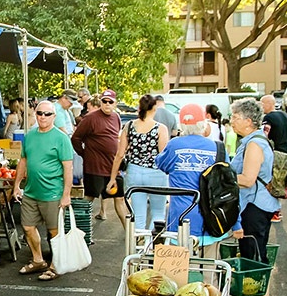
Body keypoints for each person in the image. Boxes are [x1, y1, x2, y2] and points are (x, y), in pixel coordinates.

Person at [228, 97, 281, 296]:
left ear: (248, 121)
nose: (232, 121)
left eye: (235, 117)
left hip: (254, 208)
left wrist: (222, 176)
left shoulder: (253, 144)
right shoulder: (256, 140)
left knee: (253, 259)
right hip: (260, 206)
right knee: (259, 255)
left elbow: (248, 179)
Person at [156, 104, 230, 257]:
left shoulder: (174, 145)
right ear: (204, 123)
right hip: (211, 217)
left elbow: (161, 164)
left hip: (180, 216)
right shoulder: (218, 148)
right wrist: (236, 223)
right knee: (210, 268)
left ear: (182, 124)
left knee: (180, 270)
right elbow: (228, 186)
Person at [12, 100, 73, 281]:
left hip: (52, 193)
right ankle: (38, 260)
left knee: (54, 232)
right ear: (35, 114)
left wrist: (66, 194)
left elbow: (67, 168)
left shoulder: (61, 138)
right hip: (31, 192)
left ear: (54, 116)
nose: (43, 117)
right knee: (28, 227)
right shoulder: (30, 136)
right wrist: (17, 185)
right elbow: (23, 161)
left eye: (47, 114)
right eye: (40, 113)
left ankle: (55, 265)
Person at [108, 94, 169, 232]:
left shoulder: (129, 126)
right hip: (156, 173)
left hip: (134, 172)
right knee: (158, 212)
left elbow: (119, 154)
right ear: (154, 108)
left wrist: (112, 178)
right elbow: (163, 156)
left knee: (138, 215)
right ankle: (152, 246)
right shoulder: (160, 128)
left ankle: (138, 247)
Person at [72, 89, 127, 228]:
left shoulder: (116, 117)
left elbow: (115, 137)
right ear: (100, 101)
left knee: (119, 198)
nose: (107, 104)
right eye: (104, 101)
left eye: (110, 102)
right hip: (95, 167)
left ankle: (129, 233)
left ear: (115, 103)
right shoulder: (90, 118)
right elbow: (76, 138)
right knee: (89, 198)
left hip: (113, 167)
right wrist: (84, 154)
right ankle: (76, 228)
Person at [261, 93, 287, 223]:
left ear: (269, 104)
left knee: (272, 182)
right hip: (285, 153)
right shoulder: (284, 115)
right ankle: (277, 211)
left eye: (262, 103)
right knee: (281, 181)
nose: (261, 107)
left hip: (274, 154)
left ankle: (274, 212)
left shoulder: (268, 118)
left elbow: (264, 135)